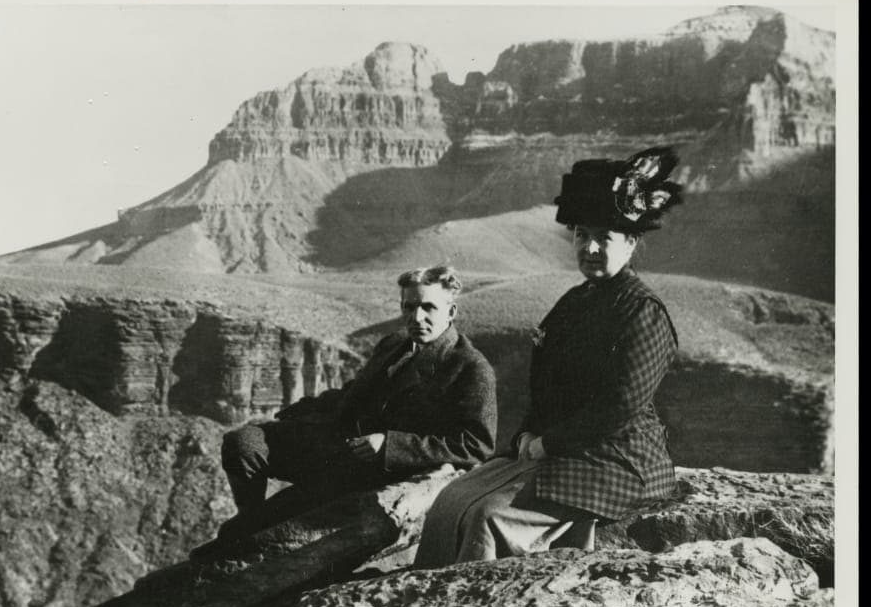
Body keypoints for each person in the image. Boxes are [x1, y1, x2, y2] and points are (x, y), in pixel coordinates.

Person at [413, 147, 683, 569]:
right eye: (581, 235)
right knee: (454, 497)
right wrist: (527, 435)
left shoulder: (642, 312)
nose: (590, 247)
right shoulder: (574, 302)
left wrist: (547, 443)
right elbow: (548, 388)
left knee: (487, 516)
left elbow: (619, 407)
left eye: (604, 238)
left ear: (630, 243)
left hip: (618, 460)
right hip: (565, 449)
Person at [191, 265, 497, 563]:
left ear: (451, 312)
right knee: (243, 443)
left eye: (428, 307)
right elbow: (356, 392)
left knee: (246, 533)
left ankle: (248, 536)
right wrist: (304, 409)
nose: (417, 317)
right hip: (335, 444)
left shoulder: (469, 368)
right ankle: (250, 523)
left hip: (372, 472)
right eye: (409, 307)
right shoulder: (395, 345)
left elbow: (475, 445)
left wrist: (390, 445)